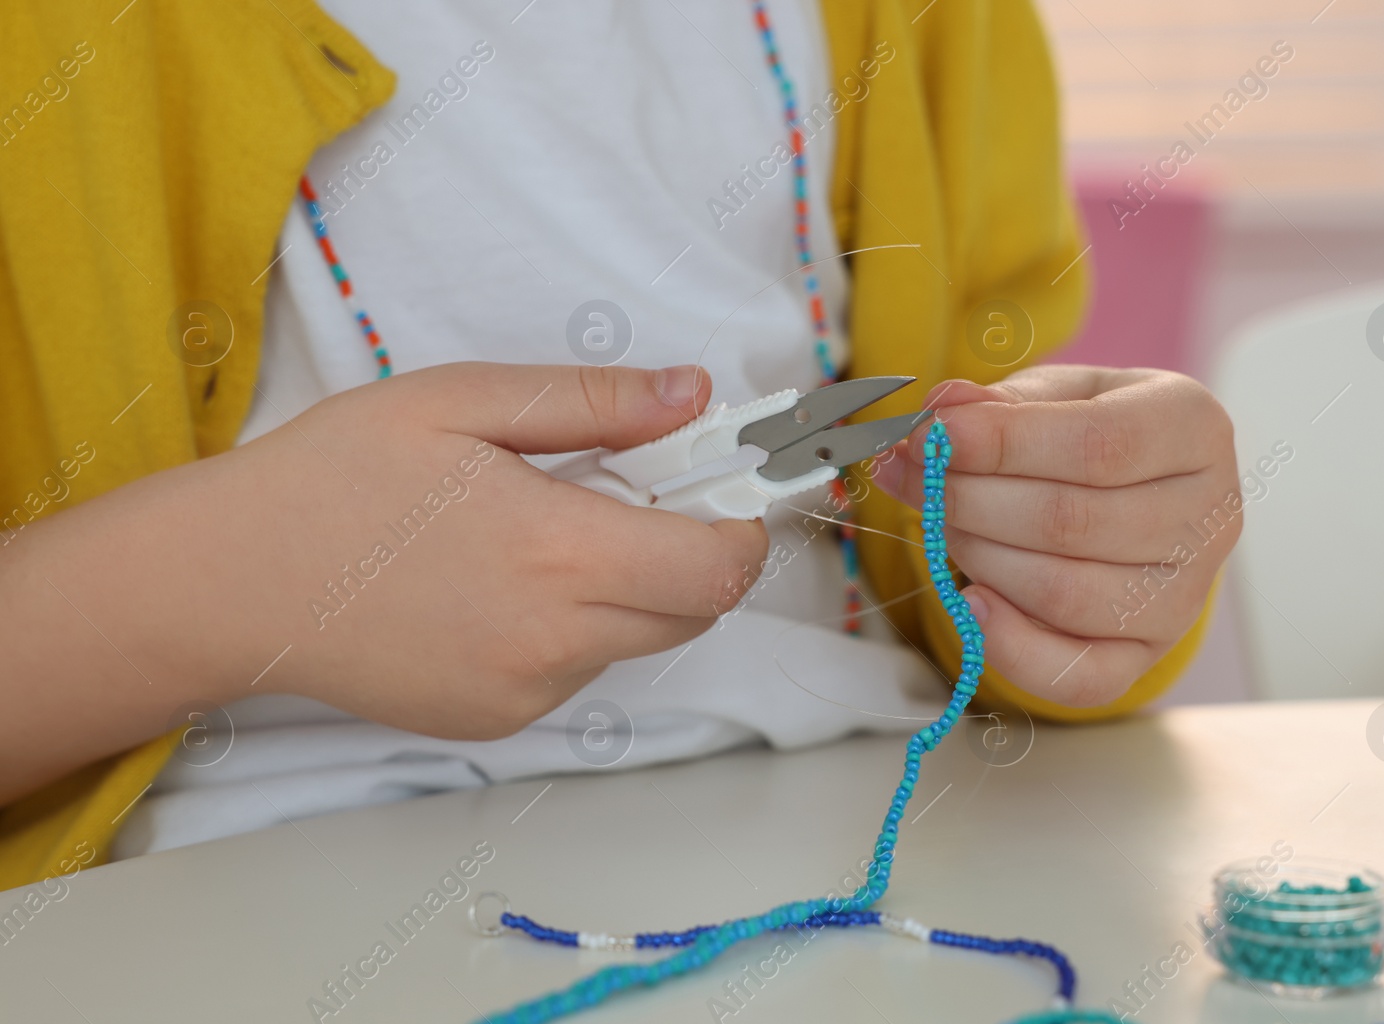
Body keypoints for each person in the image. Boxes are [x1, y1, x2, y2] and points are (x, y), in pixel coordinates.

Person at [0, 0, 1239, 889]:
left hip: (900, 847)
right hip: (195, 911)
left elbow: (971, 547)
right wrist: (230, 582)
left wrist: (1083, 551)